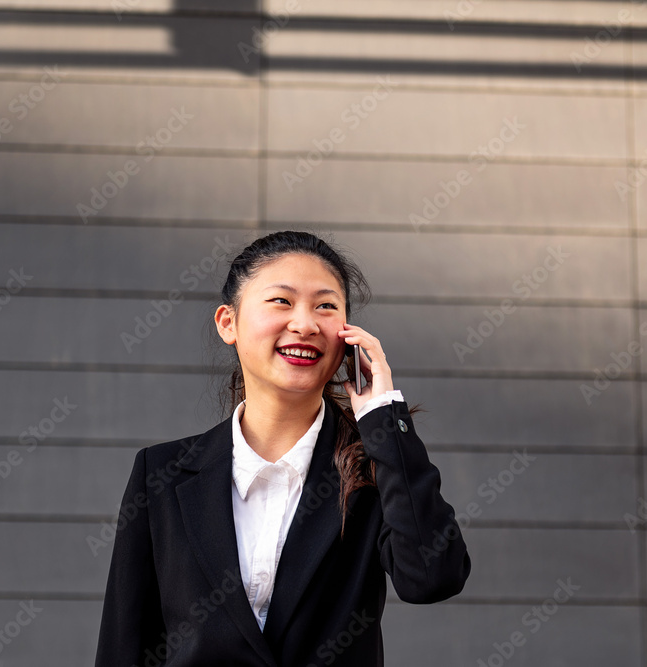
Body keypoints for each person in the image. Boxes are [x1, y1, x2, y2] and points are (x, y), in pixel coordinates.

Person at [94, 230, 471, 667]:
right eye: (281, 301)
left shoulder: (376, 467)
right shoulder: (162, 473)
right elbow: (125, 644)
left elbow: (432, 577)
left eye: (326, 306)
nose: (306, 324)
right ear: (228, 323)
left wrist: (384, 417)